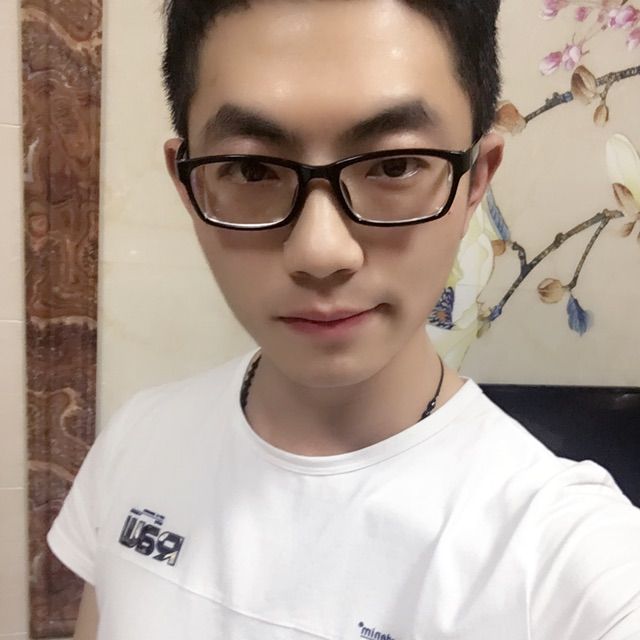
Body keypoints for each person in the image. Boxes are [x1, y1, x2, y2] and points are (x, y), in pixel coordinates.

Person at [48, 0, 640, 638]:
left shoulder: (563, 558)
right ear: (188, 186)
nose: (320, 251)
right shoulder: (138, 440)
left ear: (476, 182)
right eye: (252, 169)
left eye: (394, 166)